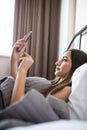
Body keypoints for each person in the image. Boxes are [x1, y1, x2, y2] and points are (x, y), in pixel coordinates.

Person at [10, 36, 87, 104]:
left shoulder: (67, 90)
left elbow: (17, 107)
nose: (57, 62)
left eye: (64, 59)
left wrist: (23, 69)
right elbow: (16, 83)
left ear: (76, 66)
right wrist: (14, 60)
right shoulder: (51, 84)